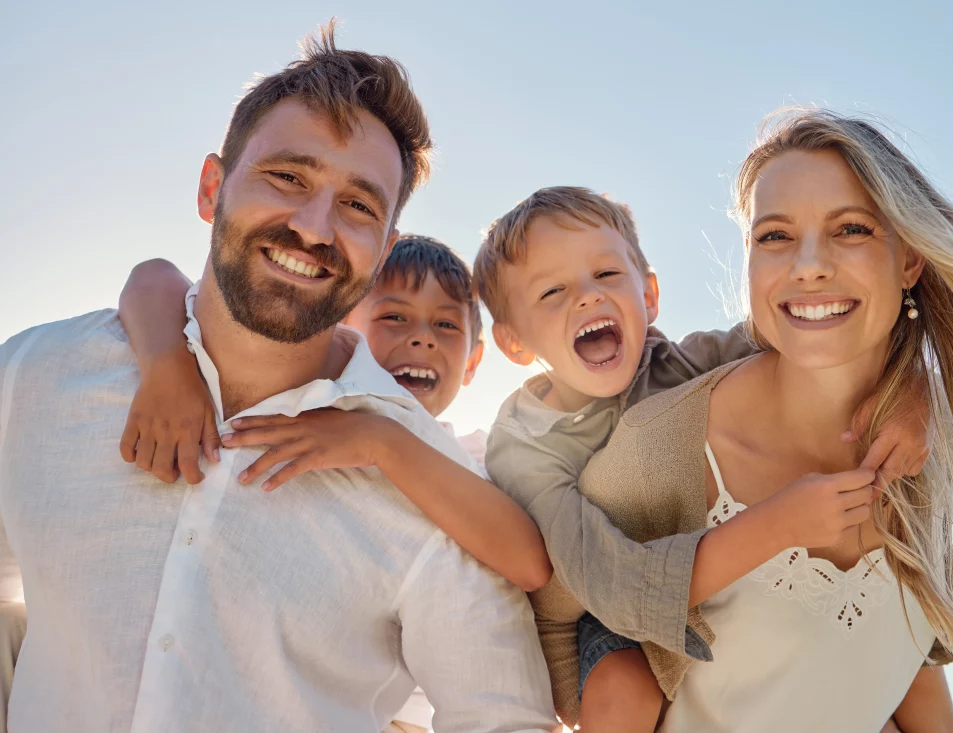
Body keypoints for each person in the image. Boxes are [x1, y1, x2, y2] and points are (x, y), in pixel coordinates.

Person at [0, 22, 557, 733]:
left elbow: (502, 716)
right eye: (287, 176)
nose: (316, 226)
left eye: (358, 205)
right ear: (212, 187)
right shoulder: (36, 378)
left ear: (381, 249)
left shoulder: (430, 485)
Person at [595, 108, 953, 732]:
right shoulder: (662, 448)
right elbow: (552, 619)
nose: (809, 264)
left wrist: (919, 386)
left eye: (850, 229)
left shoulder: (943, 442)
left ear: (910, 261)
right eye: (774, 236)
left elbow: (907, 654)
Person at [475, 186, 933, 730]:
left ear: (649, 295)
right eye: (552, 291)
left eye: (606, 275)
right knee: (624, 693)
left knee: (885, 617)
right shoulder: (526, 443)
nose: (586, 298)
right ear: (514, 344)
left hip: (702, 563)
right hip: (601, 604)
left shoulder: (689, 362)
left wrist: (912, 390)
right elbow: (598, 576)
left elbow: (819, 343)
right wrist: (777, 525)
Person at [115, 233, 550, 732]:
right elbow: (153, 275)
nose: (423, 337)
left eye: (446, 325)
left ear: (472, 361)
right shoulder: (292, 404)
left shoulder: (464, 457)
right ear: (340, 321)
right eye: (394, 317)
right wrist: (166, 363)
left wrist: (381, 441)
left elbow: (527, 562)